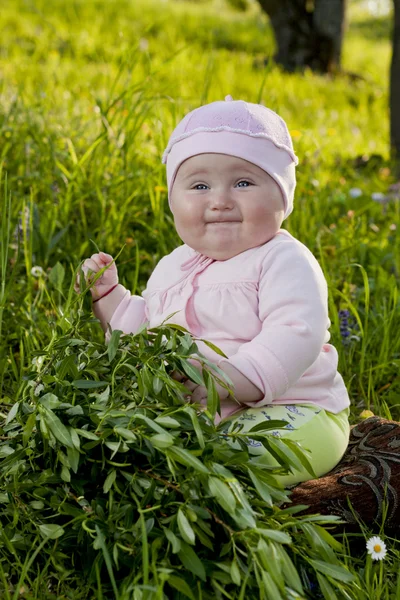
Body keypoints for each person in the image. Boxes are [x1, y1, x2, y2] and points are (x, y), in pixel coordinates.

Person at [76, 95, 350, 486]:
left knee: (240, 456)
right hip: (204, 414)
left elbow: (294, 336)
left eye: (243, 183)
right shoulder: (172, 266)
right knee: (132, 442)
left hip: (296, 411)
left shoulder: (284, 260)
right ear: (173, 202)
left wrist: (223, 380)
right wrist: (111, 300)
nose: (220, 201)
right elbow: (151, 335)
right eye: (200, 185)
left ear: (282, 197)